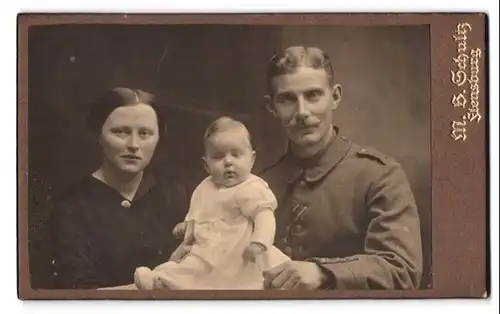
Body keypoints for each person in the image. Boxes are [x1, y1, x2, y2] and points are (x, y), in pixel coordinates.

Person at [259, 46, 423, 290]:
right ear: (271, 107)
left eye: (313, 95)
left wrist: (324, 274)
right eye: (287, 99)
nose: (302, 112)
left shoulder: (380, 175)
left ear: (334, 97)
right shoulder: (260, 185)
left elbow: (403, 271)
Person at [49, 87, 188, 289]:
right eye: (121, 132)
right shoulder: (71, 207)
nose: (133, 144)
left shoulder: (180, 195)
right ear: (98, 134)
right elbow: (78, 295)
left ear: (158, 138)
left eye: (145, 133)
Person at [134, 116, 290, 290]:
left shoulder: (251, 187)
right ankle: (160, 280)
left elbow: (265, 217)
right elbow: (199, 213)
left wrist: (259, 242)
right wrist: (187, 226)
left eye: (236, 154)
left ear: (251, 159)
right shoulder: (205, 188)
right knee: (189, 269)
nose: (228, 162)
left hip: (239, 252)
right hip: (207, 250)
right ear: (206, 165)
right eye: (218, 157)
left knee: (250, 278)